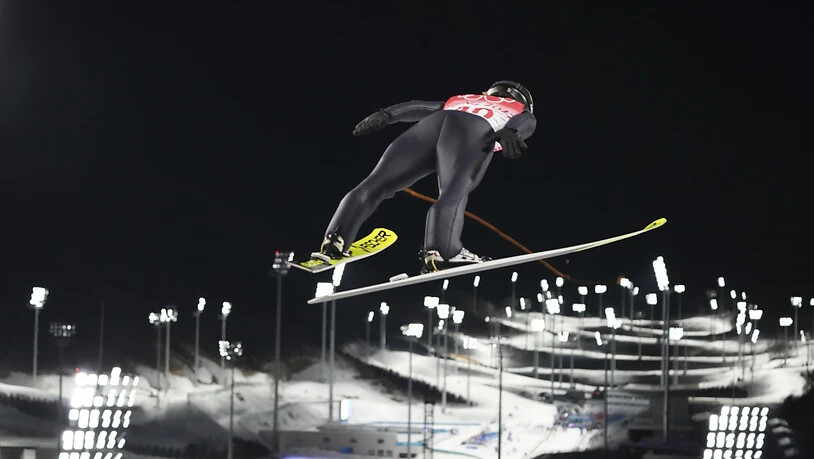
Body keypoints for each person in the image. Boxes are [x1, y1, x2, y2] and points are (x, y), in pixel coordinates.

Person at [312, 80, 537, 273]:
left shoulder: (463, 98)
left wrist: (387, 114)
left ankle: (336, 238)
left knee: (376, 183)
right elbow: (528, 121)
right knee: (453, 192)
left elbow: (418, 106)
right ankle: (443, 250)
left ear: (489, 92)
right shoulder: (517, 108)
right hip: (474, 131)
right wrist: (512, 130)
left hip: (430, 125)